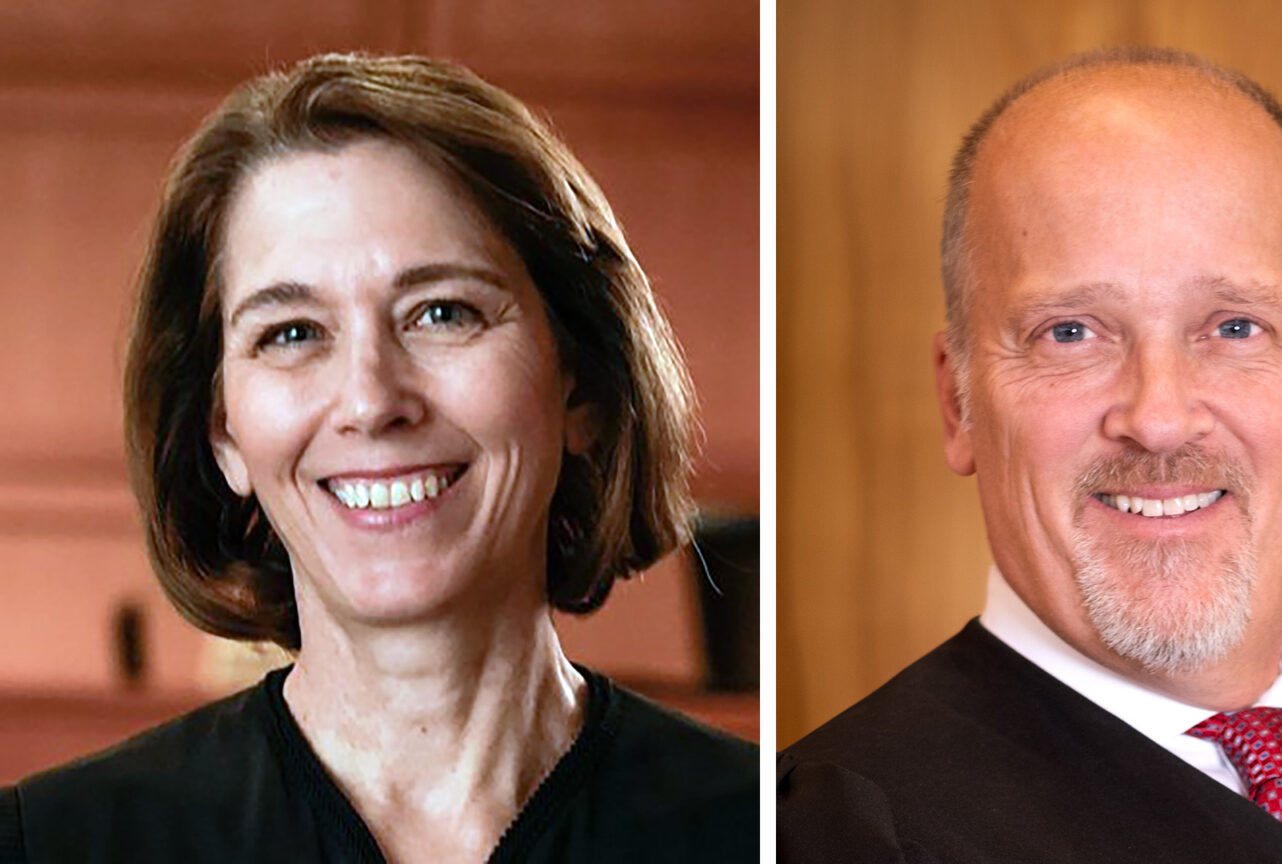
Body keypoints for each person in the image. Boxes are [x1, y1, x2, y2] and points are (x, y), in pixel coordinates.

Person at [778, 46, 1282, 862]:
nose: (1161, 419)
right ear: (958, 402)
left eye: (1234, 327)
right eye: (1069, 333)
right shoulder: (834, 833)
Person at [0, 53, 755, 863]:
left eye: (442, 312)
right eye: (291, 333)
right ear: (223, 434)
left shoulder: (763, 826)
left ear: (584, 389)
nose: (370, 400)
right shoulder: (49, 843)